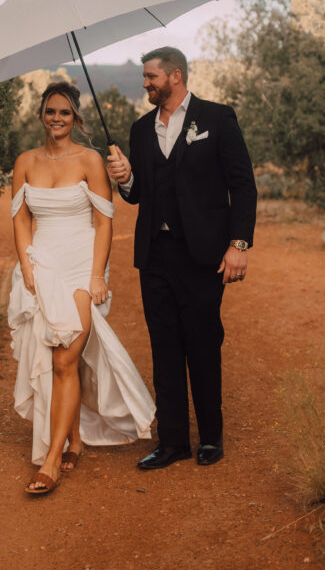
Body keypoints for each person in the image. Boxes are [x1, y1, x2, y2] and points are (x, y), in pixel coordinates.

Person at [107, 47, 257, 471]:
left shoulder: (216, 118)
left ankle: (211, 437)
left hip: (203, 255)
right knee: (164, 348)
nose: (146, 83)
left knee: (204, 344)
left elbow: (243, 187)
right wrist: (126, 177)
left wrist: (238, 245)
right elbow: (138, 195)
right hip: (155, 256)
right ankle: (172, 441)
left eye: (151, 76)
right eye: (144, 77)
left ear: (175, 76)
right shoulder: (140, 129)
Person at [7, 82, 155, 496]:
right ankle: (73, 440)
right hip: (42, 263)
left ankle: (50, 462)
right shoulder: (25, 162)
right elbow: (19, 218)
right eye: (51, 112)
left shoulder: (90, 160)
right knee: (54, 356)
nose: (57, 119)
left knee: (64, 359)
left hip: (80, 264)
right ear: (41, 115)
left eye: (65, 113)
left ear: (77, 118)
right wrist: (25, 264)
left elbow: (105, 221)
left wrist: (96, 276)